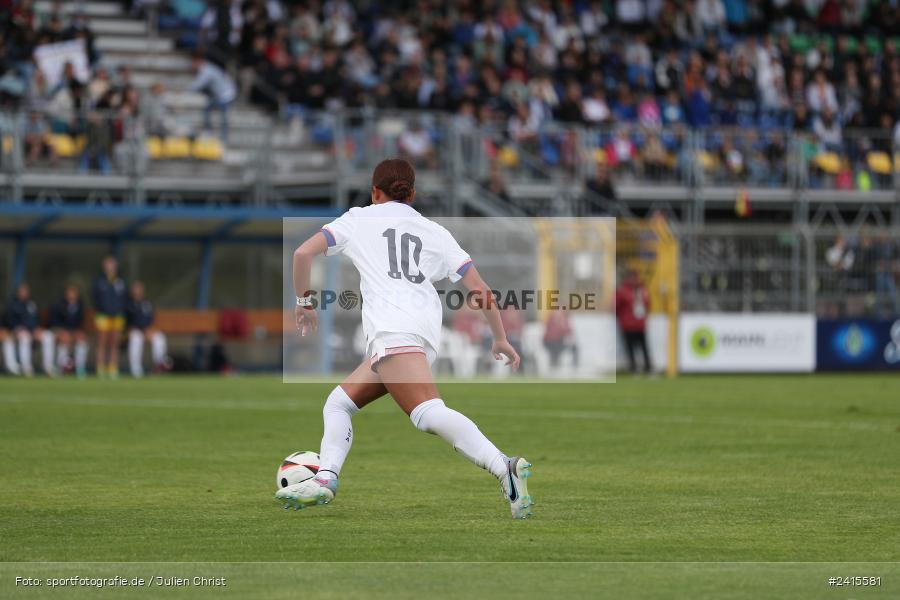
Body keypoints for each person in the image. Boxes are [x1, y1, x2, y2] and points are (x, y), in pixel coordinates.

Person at [278, 158, 534, 519]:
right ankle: (326, 479)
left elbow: (302, 252)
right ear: (412, 195)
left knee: (427, 414)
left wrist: (304, 302)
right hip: (422, 329)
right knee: (337, 404)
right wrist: (500, 338)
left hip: (394, 329)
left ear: (374, 192)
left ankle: (502, 465)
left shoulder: (358, 218)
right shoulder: (435, 231)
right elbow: (481, 291)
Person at [2, 283, 53, 376]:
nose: (24, 293)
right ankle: (27, 368)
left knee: (48, 336)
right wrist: (15, 329)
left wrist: (37, 329)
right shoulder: (12, 305)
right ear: (18, 293)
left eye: (25, 291)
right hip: (17, 331)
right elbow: (8, 321)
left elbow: (36, 319)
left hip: (32, 331)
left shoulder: (32, 304)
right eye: (22, 291)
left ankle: (48, 367)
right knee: (25, 337)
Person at [92, 256, 128, 379]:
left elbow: (124, 299)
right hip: (103, 316)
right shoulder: (99, 281)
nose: (109, 267)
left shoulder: (121, 281)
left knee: (114, 343)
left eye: (111, 265)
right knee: (102, 343)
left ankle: (113, 368)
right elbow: (95, 298)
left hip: (117, 316)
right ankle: (100, 368)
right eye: (107, 265)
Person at [125, 281, 170, 377]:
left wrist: (150, 330)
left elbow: (151, 319)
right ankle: (136, 371)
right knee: (135, 338)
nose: (137, 291)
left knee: (159, 337)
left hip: (147, 330)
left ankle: (158, 368)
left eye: (139, 289)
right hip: (135, 330)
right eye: (135, 289)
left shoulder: (148, 303)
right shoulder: (128, 304)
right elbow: (128, 322)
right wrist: (136, 330)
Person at [188, 55, 237, 142]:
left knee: (223, 116)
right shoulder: (209, 68)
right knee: (207, 110)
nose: (192, 66)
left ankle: (223, 137)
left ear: (198, 62)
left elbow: (199, 84)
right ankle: (210, 132)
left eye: (193, 64)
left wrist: (186, 90)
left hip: (226, 94)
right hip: (220, 95)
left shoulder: (207, 70)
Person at [616, 270, 653, 375]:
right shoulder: (623, 290)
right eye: (632, 278)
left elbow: (647, 303)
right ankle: (633, 368)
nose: (634, 280)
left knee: (644, 347)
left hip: (640, 324)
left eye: (635, 277)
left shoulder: (642, 289)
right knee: (630, 348)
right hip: (628, 324)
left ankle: (648, 368)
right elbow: (617, 305)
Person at [49, 285, 89, 378]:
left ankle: (80, 368)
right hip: (60, 331)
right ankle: (61, 368)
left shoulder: (79, 306)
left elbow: (79, 324)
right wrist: (61, 332)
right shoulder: (58, 305)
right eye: (70, 293)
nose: (72, 295)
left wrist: (77, 333)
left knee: (82, 340)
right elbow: (54, 323)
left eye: (74, 293)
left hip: (73, 332)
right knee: (65, 340)